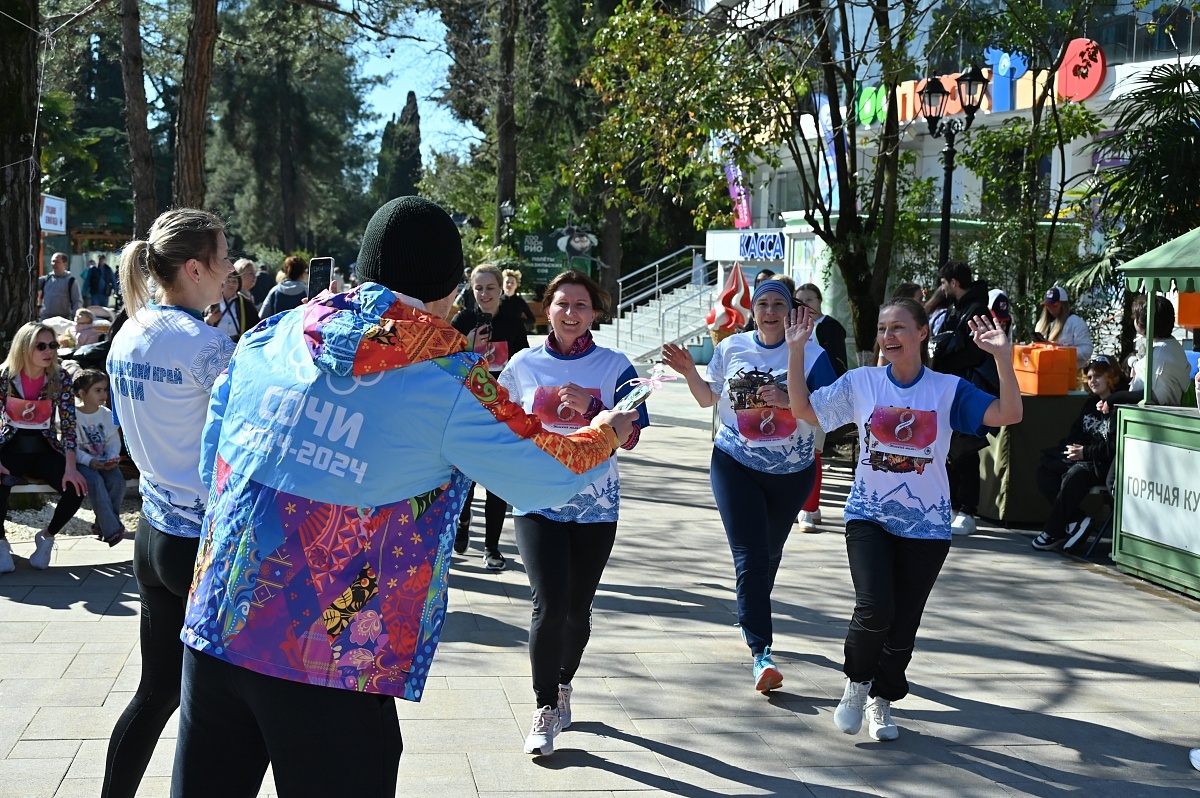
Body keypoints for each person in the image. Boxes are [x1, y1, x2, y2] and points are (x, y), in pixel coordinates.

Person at [171, 196, 637, 796]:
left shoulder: (275, 332)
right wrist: (609, 429)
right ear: (448, 289)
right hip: (327, 655)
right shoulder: (443, 378)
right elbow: (548, 472)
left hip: (218, 624)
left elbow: (214, 457)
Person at [786, 297, 1022, 742]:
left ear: (921, 333)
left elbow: (1009, 414)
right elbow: (804, 410)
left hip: (927, 525)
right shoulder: (862, 382)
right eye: (881, 329)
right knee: (875, 608)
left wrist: (1003, 359)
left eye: (897, 328)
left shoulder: (948, 389)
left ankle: (883, 700)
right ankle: (856, 685)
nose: (887, 337)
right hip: (868, 515)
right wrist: (797, 350)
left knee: (904, 622)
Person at [102, 208, 237, 798]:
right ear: (195, 267)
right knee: (220, 709)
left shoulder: (127, 331)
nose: (230, 268)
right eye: (224, 256)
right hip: (197, 538)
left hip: (152, 533)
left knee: (154, 693)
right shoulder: (206, 344)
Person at [497, 270, 649, 756]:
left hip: (595, 506)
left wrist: (594, 407)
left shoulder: (614, 365)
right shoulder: (523, 364)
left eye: (581, 305)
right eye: (562, 304)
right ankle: (543, 708)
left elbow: (633, 430)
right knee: (550, 604)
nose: (570, 313)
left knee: (578, 610)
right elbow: (496, 414)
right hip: (537, 499)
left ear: (595, 313)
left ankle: (563, 684)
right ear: (547, 309)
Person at [662, 280, 837, 695]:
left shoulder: (813, 354)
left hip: (792, 472)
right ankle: (762, 653)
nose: (771, 311)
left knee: (768, 554)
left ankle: (749, 610)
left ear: (792, 310)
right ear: (752, 310)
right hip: (734, 463)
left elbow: (829, 411)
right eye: (763, 304)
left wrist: (786, 399)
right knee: (752, 555)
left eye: (779, 303)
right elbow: (708, 400)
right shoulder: (731, 348)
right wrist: (689, 372)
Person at [450, 264, 532, 569]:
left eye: (490, 288)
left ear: (501, 289)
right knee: (467, 479)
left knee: (498, 481)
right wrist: (467, 347)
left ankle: (492, 547)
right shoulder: (462, 320)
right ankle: (463, 521)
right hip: (467, 412)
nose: (484, 294)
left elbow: (525, 366)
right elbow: (445, 365)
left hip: (502, 413)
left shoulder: (512, 322)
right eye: (478, 288)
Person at [0, 322, 87, 573]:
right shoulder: (5, 377)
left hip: (44, 446)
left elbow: (69, 425)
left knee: (76, 488)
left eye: (53, 345)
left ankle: (47, 537)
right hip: (10, 445)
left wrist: (71, 467)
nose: (49, 351)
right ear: (25, 348)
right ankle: (1, 542)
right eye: (41, 346)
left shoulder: (60, 378)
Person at [1031, 355, 1120, 551]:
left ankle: (1053, 531)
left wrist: (1085, 453)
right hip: (1084, 458)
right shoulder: (1090, 404)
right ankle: (1076, 520)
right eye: (1089, 377)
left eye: (1098, 376)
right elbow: (1076, 432)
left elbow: (1114, 447)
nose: (1092, 381)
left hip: (1103, 465)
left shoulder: (1119, 406)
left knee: (1074, 475)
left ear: (1111, 377)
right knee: (1045, 470)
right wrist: (1072, 449)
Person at [931, 260, 992, 537]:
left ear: (953, 282)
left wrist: (946, 355)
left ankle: (968, 509)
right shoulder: (958, 307)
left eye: (943, 283)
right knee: (951, 449)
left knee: (967, 449)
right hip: (951, 386)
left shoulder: (977, 309)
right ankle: (954, 506)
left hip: (966, 387)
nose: (941, 289)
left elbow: (977, 352)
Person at [793, 283, 849, 533]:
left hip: (818, 400)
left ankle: (808, 509)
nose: (806, 306)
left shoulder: (830, 327)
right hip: (789, 401)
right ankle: (807, 506)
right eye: (799, 301)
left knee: (812, 452)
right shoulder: (787, 329)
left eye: (810, 301)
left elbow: (838, 363)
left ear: (819, 301)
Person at [71, 369, 126, 546]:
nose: (104, 394)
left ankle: (103, 526)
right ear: (82, 393)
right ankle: (112, 530)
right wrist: (89, 461)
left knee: (117, 481)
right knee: (95, 483)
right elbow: (70, 447)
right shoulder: (72, 416)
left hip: (104, 462)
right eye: (98, 390)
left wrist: (112, 457)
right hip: (82, 463)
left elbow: (112, 441)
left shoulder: (106, 414)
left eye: (105, 389)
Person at [1128, 294, 1191, 406]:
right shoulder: (1173, 345)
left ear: (1143, 323)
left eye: (1136, 318)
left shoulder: (1158, 355)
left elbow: (1152, 396)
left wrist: (1114, 398)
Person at [1036, 286, 1093, 369]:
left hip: (1069, 372)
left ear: (1063, 305)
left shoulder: (1076, 322)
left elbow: (1087, 350)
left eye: (1055, 306)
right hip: (1046, 371)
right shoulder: (1041, 324)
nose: (1051, 309)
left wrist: (1063, 351)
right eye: (1048, 306)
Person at [211, 271, 260, 341]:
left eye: (234, 281)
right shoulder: (211, 301)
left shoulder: (246, 304)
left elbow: (255, 326)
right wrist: (209, 321)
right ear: (221, 283)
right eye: (227, 281)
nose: (231, 284)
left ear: (239, 284)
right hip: (214, 344)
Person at [38, 252, 83, 321]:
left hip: (63, 321)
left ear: (65, 263)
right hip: (45, 320)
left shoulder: (71, 281)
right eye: (53, 261)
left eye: (57, 262)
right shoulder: (46, 279)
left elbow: (77, 301)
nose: (54, 264)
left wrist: (76, 318)